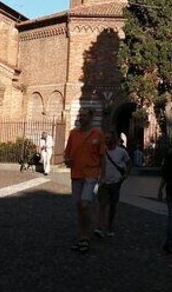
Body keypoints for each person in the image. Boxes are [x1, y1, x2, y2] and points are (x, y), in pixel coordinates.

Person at [63, 107, 105, 254]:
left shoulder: (97, 134)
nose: (81, 118)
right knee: (79, 208)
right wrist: (67, 160)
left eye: (84, 115)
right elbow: (67, 154)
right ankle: (83, 236)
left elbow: (102, 156)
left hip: (91, 174)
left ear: (91, 117)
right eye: (79, 115)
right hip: (76, 174)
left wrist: (103, 175)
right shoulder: (73, 134)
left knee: (85, 205)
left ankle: (86, 236)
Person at [95, 130, 132, 238]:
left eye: (108, 138)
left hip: (116, 183)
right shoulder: (101, 151)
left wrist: (125, 176)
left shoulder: (121, 152)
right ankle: (100, 227)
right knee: (102, 204)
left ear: (113, 139)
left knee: (112, 206)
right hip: (103, 182)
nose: (106, 140)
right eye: (105, 138)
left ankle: (109, 226)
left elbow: (129, 163)